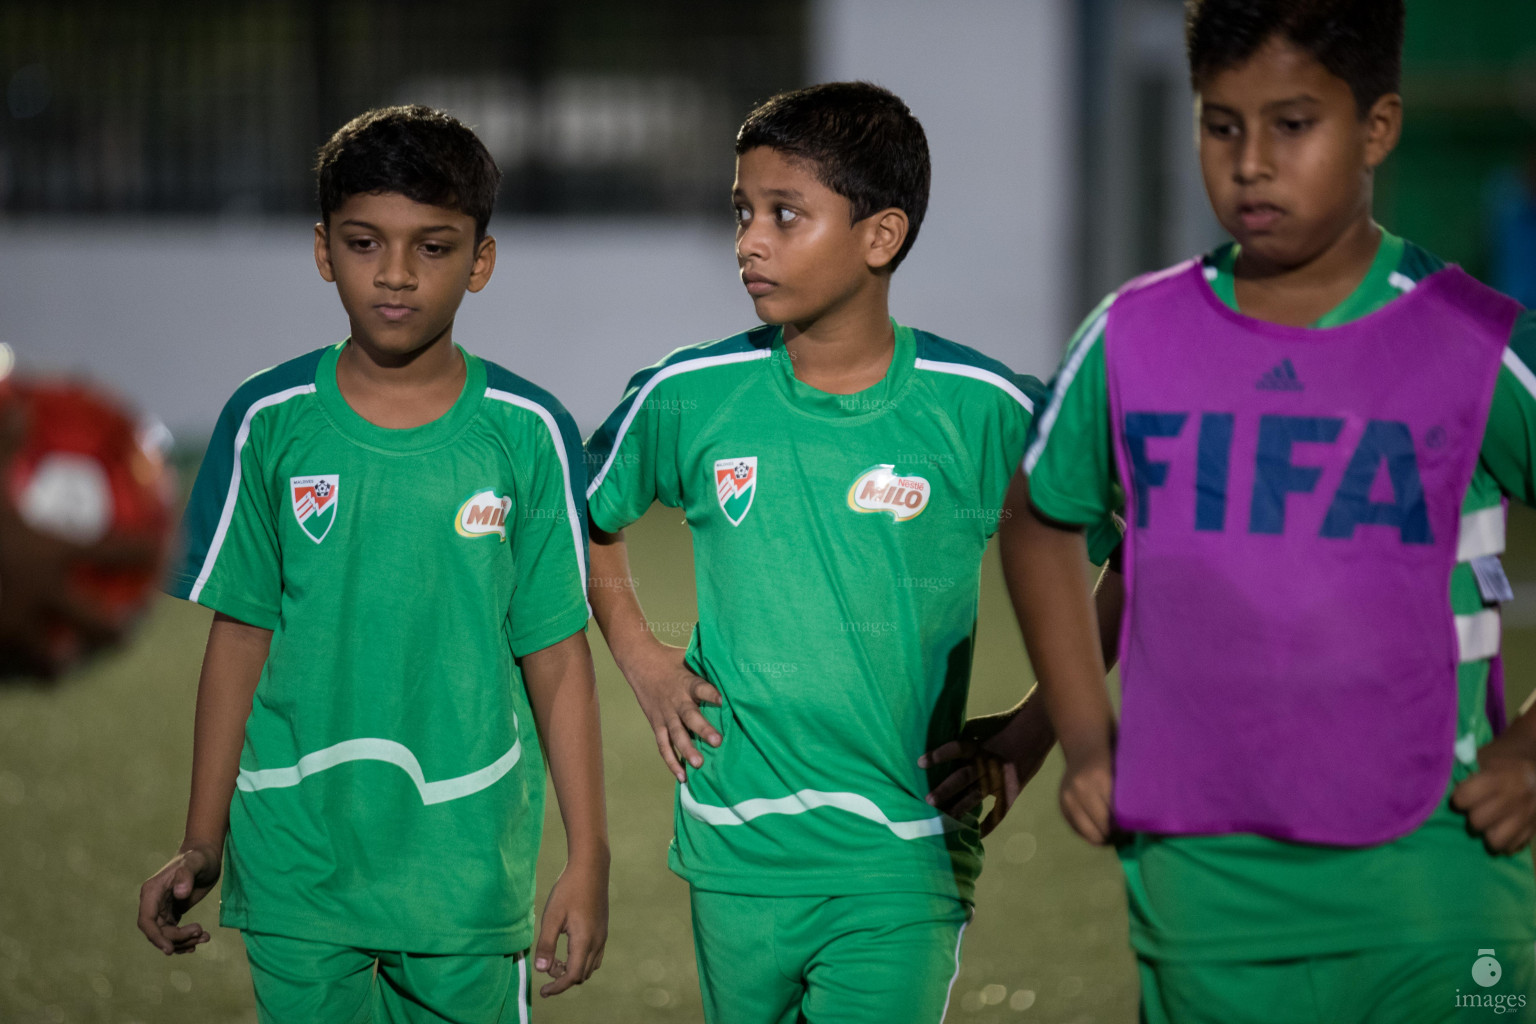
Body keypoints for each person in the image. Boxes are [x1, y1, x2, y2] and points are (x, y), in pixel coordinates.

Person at [1013, 1, 1536, 1020]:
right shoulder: (1132, 334)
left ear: (1377, 126)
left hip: (1436, 889)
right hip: (1204, 898)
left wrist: (1530, 747)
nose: (1251, 162)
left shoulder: (1471, 341)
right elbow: (1039, 517)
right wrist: (1084, 738)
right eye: (1222, 124)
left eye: (1293, 125)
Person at [583, 81, 1117, 1024]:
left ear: (881, 236)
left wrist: (1034, 733)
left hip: (905, 854)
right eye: (742, 211)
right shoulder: (690, 393)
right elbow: (586, 519)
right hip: (732, 847)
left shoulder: (980, 406)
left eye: (786, 215)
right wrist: (642, 657)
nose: (750, 240)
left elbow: (1141, 549)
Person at [135, 105, 608, 1023]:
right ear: (323, 249)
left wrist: (587, 858)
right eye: (364, 242)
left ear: (481, 260)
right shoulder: (265, 421)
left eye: (433, 247)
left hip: (465, 869)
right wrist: (201, 841)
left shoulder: (530, 429)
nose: (395, 273)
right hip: (299, 862)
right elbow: (240, 636)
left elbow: (556, 654)